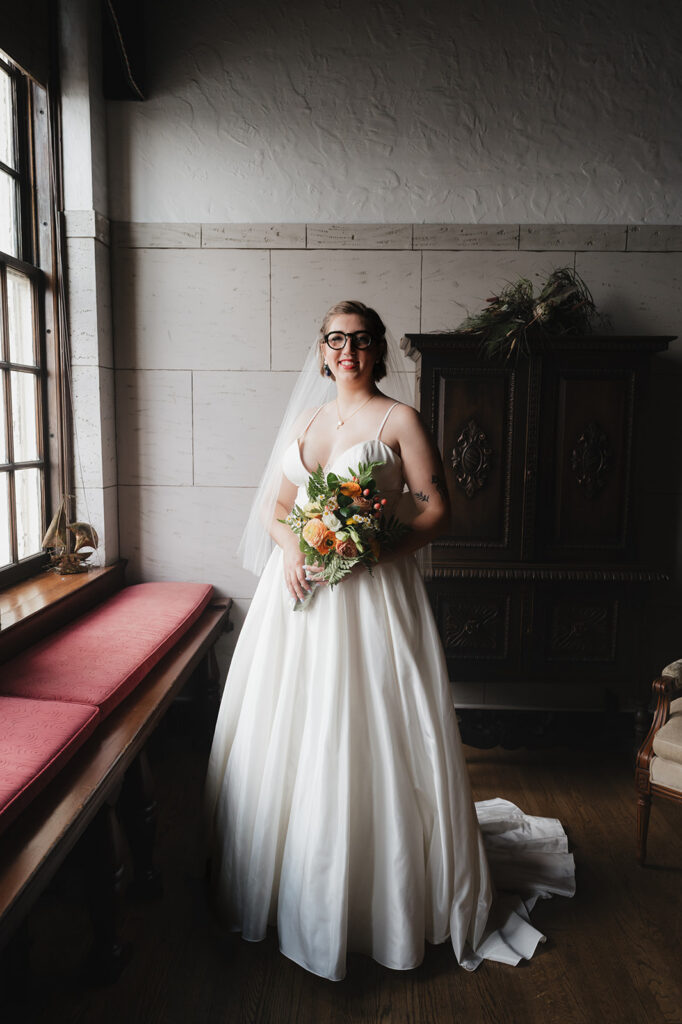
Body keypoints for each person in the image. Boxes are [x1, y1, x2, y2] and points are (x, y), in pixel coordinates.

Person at [204, 300, 574, 982]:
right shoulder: (306, 419)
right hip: (301, 601)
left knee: (366, 726)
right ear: (322, 350)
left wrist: (371, 551)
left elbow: (436, 508)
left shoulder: (399, 418)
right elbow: (275, 508)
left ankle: (383, 893)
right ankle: (296, 883)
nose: (348, 350)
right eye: (337, 339)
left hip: (373, 594)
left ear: (377, 351)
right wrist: (290, 551)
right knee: (295, 731)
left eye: (362, 340)